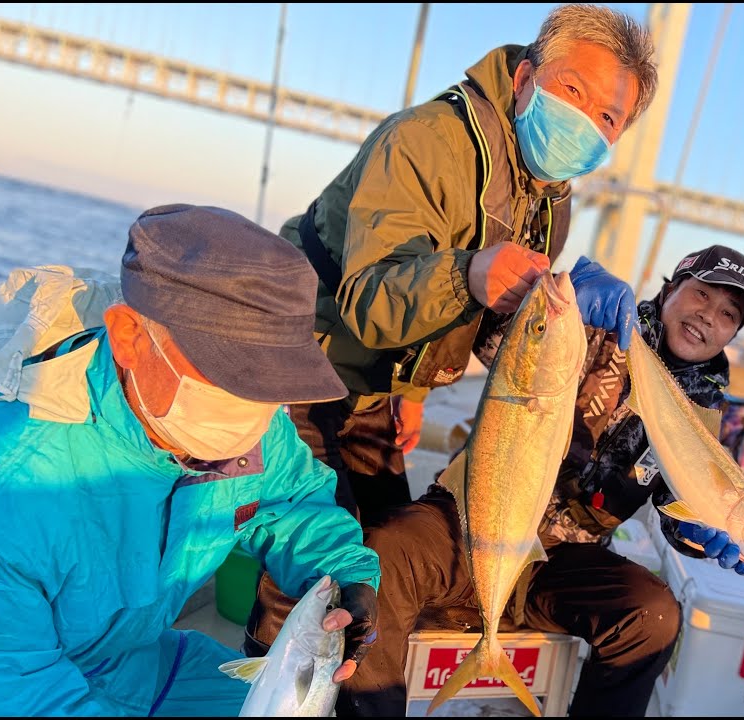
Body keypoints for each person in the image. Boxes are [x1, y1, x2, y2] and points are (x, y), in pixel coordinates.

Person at [246, 243, 744, 717]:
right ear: (671, 288)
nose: (709, 316)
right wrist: (552, 294)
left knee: (653, 617)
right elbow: (494, 342)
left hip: (560, 557)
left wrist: (700, 532)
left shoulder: (703, 412)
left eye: (729, 315)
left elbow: (680, 506)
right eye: (702, 294)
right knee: (382, 554)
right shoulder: (588, 324)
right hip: (472, 513)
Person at [0, 204, 382, 716]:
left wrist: (346, 577)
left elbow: (292, 501)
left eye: (270, 383)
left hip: (142, 666)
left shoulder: (250, 417)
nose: (255, 412)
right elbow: (1, 686)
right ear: (129, 336)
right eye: (227, 373)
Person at [270, 2, 659, 523]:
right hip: (297, 362)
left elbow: (488, 326)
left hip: (374, 385)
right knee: (327, 560)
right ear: (525, 78)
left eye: (608, 117)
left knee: (388, 541)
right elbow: (368, 297)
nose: (584, 120)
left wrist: (413, 390)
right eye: (572, 91)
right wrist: (468, 274)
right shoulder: (425, 140)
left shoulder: (551, 203)